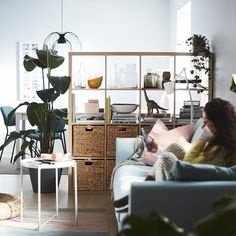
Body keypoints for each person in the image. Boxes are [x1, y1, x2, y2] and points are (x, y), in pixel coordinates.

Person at [113, 97, 236, 208]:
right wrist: (158, 150)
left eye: (206, 122)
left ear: (218, 123)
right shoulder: (219, 140)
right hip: (191, 176)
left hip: (189, 187)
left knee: (166, 158)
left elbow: (188, 164)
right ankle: (144, 186)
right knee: (174, 148)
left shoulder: (221, 150)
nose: (203, 127)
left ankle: (146, 197)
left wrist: (202, 140)